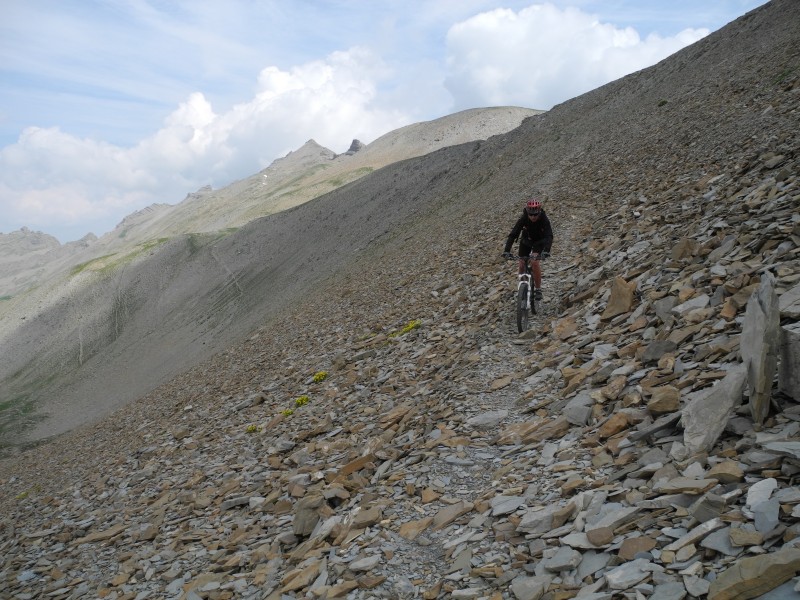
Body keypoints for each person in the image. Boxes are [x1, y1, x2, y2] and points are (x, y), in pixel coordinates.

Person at [503, 198, 553, 300]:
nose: (533, 217)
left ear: (539, 212)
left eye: (535, 214)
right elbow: (513, 234)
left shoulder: (544, 218)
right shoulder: (524, 218)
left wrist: (546, 251)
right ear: (527, 212)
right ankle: (523, 286)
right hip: (526, 241)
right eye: (530, 214)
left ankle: (538, 289)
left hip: (539, 242)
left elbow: (549, 236)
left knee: (534, 262)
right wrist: (506, 250)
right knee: (521, 263)